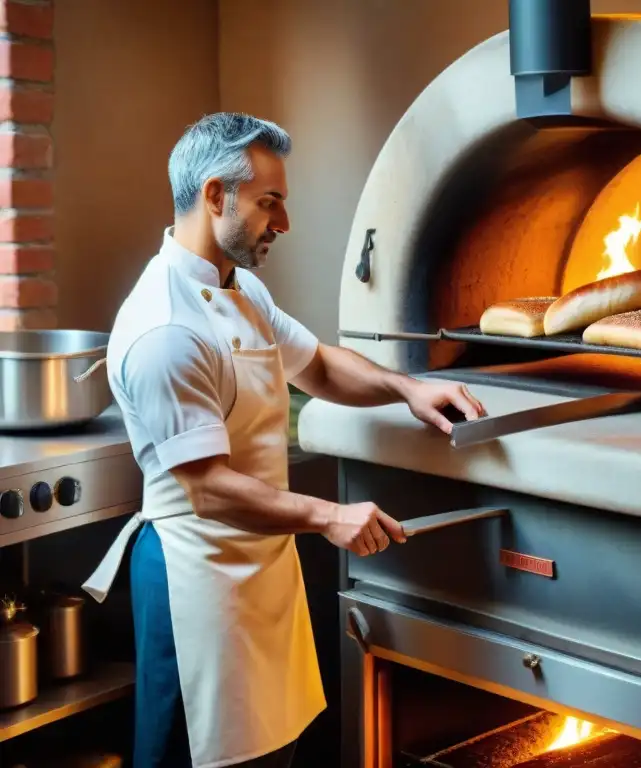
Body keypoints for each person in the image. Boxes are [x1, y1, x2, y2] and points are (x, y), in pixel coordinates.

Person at [82, 113, 486, 768]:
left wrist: (407, 389)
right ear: (216, 195)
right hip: (198, 583)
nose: (284, 224)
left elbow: (318, 365)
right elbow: (209, 490)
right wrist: (330, 515)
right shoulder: (164, 328)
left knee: (274, 753)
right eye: (271, 203)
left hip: (261, 570)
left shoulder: (242, 290)